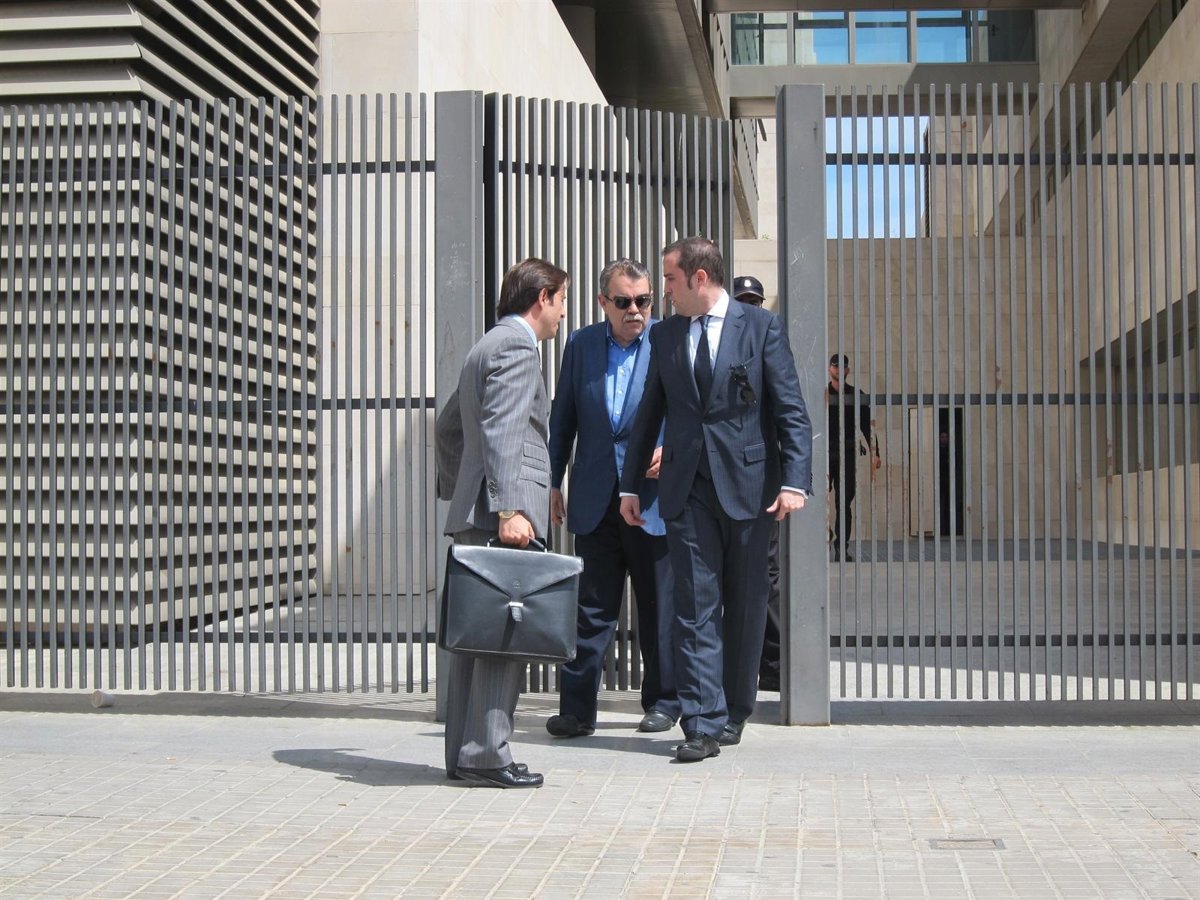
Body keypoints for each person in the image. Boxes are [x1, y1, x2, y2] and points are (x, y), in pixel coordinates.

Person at [619, 238, 813, 762]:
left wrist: (795, 482)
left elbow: (790, 409)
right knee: (694, 606)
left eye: (670, 279)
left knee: (746, 608)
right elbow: (648, 412)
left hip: (751, 490)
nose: (664, 290)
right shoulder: (666, 334)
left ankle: (734, 710)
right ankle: (701, 723)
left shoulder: (762, 328)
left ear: (699, 278)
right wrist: (631, 485)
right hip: (687, 491)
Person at [434, 257, 568, 789]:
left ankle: (466, 756)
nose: (563, 313)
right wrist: (509, 508)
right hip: (503, 517)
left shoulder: (484, 346)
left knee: (475, 637)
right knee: (503, 638)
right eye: (561, 300)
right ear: (542, 298)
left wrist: (464, 491)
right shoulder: (517, 347)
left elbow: (449, 429)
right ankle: (488, 756)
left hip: (479, 511)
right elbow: (505, 429)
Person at [545, 259, 680, 738]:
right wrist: (552, 481)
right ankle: (577, 711)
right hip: (596, 497)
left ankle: (664, 701)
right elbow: (563, 418)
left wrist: (672, 448)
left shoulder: (669, 340)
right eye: (623, 301)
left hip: (651, 499)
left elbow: (692, 411)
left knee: (658, 607)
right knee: (591, 610)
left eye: (643, 300)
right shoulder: (581, 345)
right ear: (603, 302)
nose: (634, 310)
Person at [730, 275, 782, 693]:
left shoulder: (770, 344)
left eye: (755, 302)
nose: (750, 309)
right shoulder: (718, 345)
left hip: (760, 482)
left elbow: (788, 412)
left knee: (767, 575)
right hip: (719, 482)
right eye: (742, 302)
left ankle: (774, 665)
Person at [827, 354, 880, 562]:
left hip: (847, 455)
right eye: (835, 366)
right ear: (830, 369)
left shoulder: (856, 395)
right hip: (825, 455)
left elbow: (867, 425)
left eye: (843, 367)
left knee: (844, 503)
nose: (839, 370)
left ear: (848, 370)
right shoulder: (822, 394)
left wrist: (875, 452)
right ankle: (827, 532)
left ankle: (841, 547)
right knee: (817, 501)